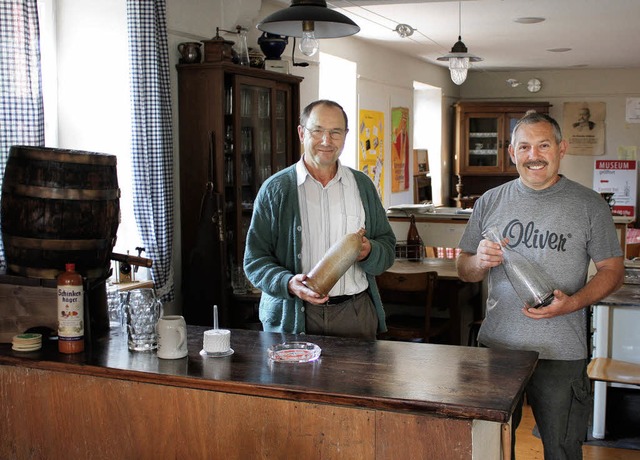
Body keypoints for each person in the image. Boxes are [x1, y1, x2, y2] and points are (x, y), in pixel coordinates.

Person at [456, 111, 624, 459]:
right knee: (493, 449)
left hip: (561, 353)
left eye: (543, 145)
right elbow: (464, 269)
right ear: (511, 153)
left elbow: (612, 270)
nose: (534, 155)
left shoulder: (589, 205)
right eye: (525, 146)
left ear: (561, 149)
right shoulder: (489, 201)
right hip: (498, 349)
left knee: (562, 448)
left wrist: (573, 303)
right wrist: (478, 261)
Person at [243, 99, 396, 340]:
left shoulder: (362, 186)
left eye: (335, 132)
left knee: (359, 379)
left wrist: (370, 251)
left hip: (354, 315)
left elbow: (387, 246)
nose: (327, 140)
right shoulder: (275, 189)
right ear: (302, 133)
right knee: (289, 379)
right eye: (318, 131)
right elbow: (255, 262)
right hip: (292, 317)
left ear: (345, 136)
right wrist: (289, 283)